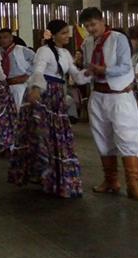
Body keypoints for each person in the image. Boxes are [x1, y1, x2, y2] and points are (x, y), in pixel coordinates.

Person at [9, 20, 85, 198]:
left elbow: (75, 74)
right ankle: (45, 176)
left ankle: (54, 178)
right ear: (54, 34)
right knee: (43, 136)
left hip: (57, 96)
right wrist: (36, 88)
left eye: (68, 33)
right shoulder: (44, 51)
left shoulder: (65, 53)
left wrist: (90, 73)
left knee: (55, 135)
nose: (67, 36)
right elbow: (38, 71)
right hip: (44, 94)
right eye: (64, 33)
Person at [79, 7, 138, 201]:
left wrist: (103, 69)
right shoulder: (87, 43)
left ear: (102, 21)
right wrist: (87, 72)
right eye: (87, 26)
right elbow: (87, 64)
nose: (91, 29)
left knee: (127, 136)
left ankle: (133, 184)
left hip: (119, 94)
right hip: (98, 94)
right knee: (102, 137)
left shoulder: (118, 39)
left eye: (93, 24)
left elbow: (125, 66)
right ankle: (110, 180)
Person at [0, 29, 36, 112]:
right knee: (6, 112)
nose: (2, 40)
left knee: (19, 110)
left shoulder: (22, 50)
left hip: (19, 85)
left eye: (5, 37)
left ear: (11, 38)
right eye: (0, 38)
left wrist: (27, 75)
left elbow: (37, 61)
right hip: (4, 86)